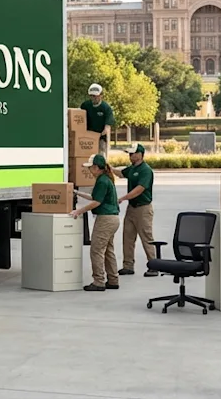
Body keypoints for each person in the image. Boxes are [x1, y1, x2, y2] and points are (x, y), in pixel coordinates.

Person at [71, 154, 120, 291]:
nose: (89, 171)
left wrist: (78, 211)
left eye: (90, 168)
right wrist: (76, 192)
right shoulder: (105, 179)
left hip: (105, 219)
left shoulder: (102, 181)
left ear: (96, 168)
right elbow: (94, 197)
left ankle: (99, 281)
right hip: (113, 218)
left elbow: (96, 202)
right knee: (108, 250)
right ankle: (113, 279)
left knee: (96, 250)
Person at [116, 143, 158, 277]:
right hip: (132, 207)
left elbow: (140, 189)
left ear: (140, 154)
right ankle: (128, 266)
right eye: (129, 154)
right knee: (127, 236)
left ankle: (154, 265)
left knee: (146, 237)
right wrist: (109, 168)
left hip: (143, 208)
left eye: (133, 153)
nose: (130, 156)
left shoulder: (146, 170)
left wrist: (124, 197)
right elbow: (121, 174)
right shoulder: (132, 169)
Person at [80, 83, 116, 155]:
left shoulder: (106, 108)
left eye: (95, 96)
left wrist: (96, 136)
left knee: (101, 155)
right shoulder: (85, 105)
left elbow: (107, 128)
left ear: (101, 95)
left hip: (101, 137)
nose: (93, 98)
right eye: (91, 96)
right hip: (86, 136)